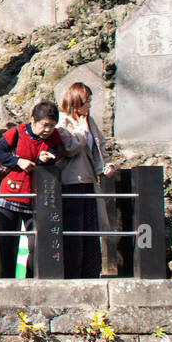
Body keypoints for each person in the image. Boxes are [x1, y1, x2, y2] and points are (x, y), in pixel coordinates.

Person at [0, 100, 62, 278]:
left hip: (37, 195)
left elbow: (54, 156)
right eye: (44, 125)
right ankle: (8, 277)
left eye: (51, 126)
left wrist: (47, 159)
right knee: (7, 240)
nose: (47, 130)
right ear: (33, 120)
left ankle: (30, 277)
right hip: (12, 192)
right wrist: (18, 161)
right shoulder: (17, 132)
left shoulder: (54, 137)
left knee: (36, 242)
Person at [57, 82, 116, 279]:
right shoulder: (62, 122)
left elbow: (99, 146)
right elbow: (69, 148)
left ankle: (91, 271)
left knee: (91, 230)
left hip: (89, 179)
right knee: (75, 230)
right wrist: (82, 132)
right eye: (86, 101)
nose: (89, 105)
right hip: (71, 181)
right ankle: (74, 273)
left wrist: (105, 165)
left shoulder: (89, 121)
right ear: (76, 102)